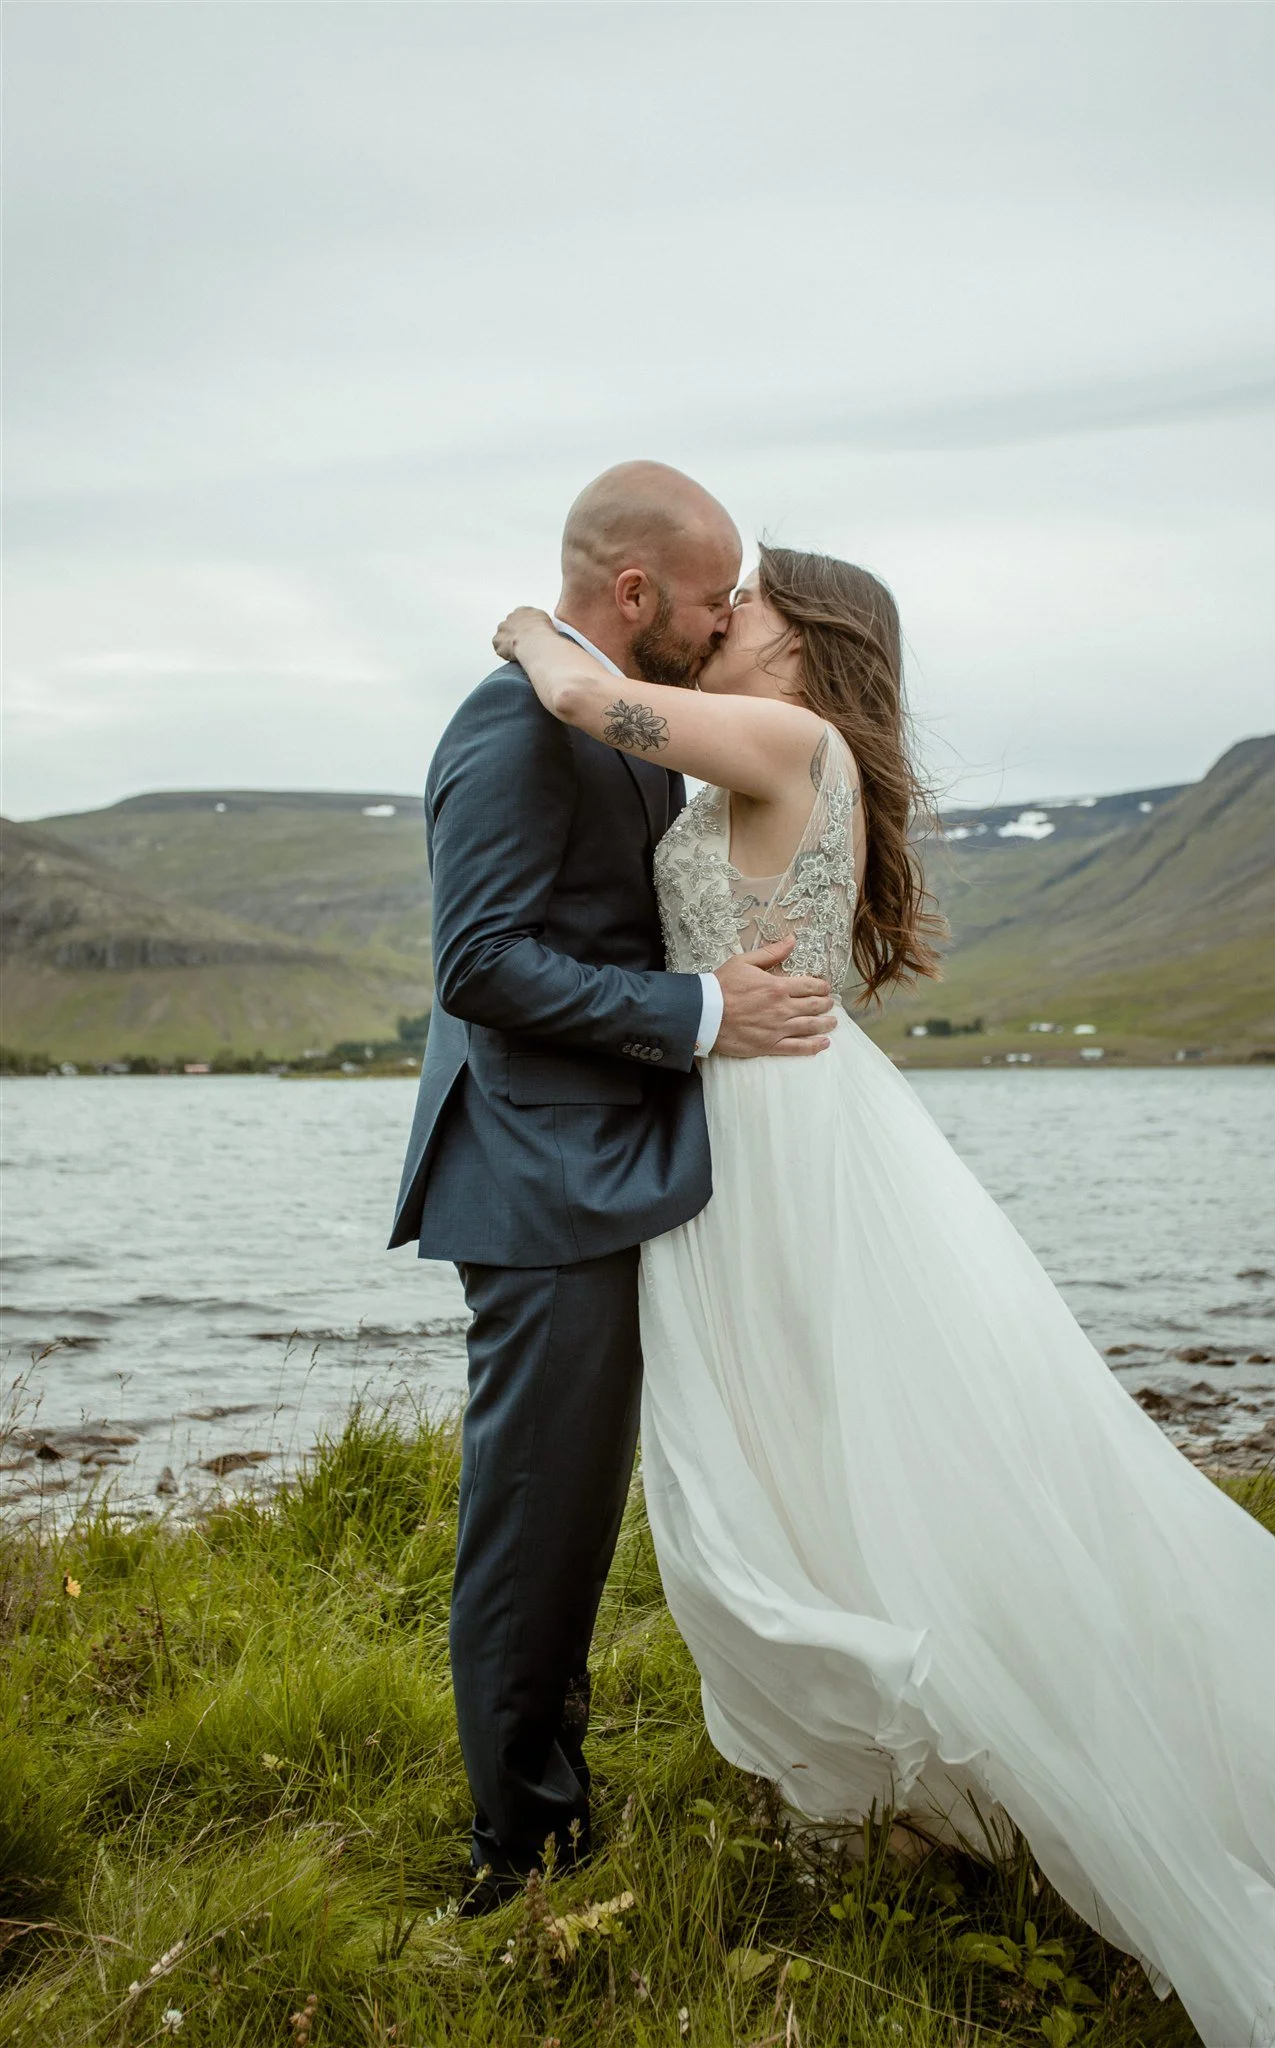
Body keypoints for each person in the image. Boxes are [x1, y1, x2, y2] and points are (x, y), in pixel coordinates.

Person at [492, 546, 1275, 2048]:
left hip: (786, 1144)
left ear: (806, 643)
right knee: (816, 1460)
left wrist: (526, 624)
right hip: (754, 1128)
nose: (724, 617)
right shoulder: (768, 753)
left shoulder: (794, 739)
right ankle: (906, 1798)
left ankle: (930, 1776)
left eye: (747, 604)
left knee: (858, 1463)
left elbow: (578, 691)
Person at [389, 463, 837, 1904]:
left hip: (629, 1153)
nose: (720, 630)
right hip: (535, 1170)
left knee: (593, 1506)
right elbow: (482, 965)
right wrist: (703, 1012)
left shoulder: (636, 717)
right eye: (710, 602)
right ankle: (518, 1843)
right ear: (634, 591)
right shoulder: (511, 724)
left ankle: (558, 1796)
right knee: (539, 1512)